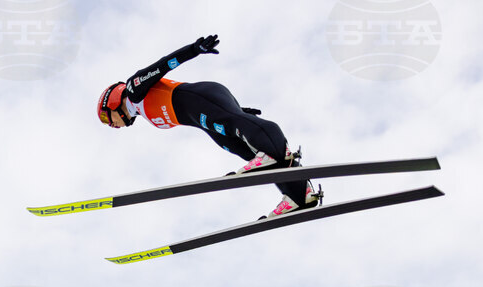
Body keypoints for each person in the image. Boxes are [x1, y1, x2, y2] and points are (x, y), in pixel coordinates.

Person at [97, 35, 321, 219]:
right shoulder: (142, 112)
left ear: (113, 102)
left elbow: (162, 65)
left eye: (108, 119)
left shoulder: (134, 89)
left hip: (201, 98)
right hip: (202, 117)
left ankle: (275, 148)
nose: (113, 125)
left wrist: (194, 49)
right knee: (242, 149)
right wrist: (240, 112)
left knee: (238, 129)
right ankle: (299, 195)